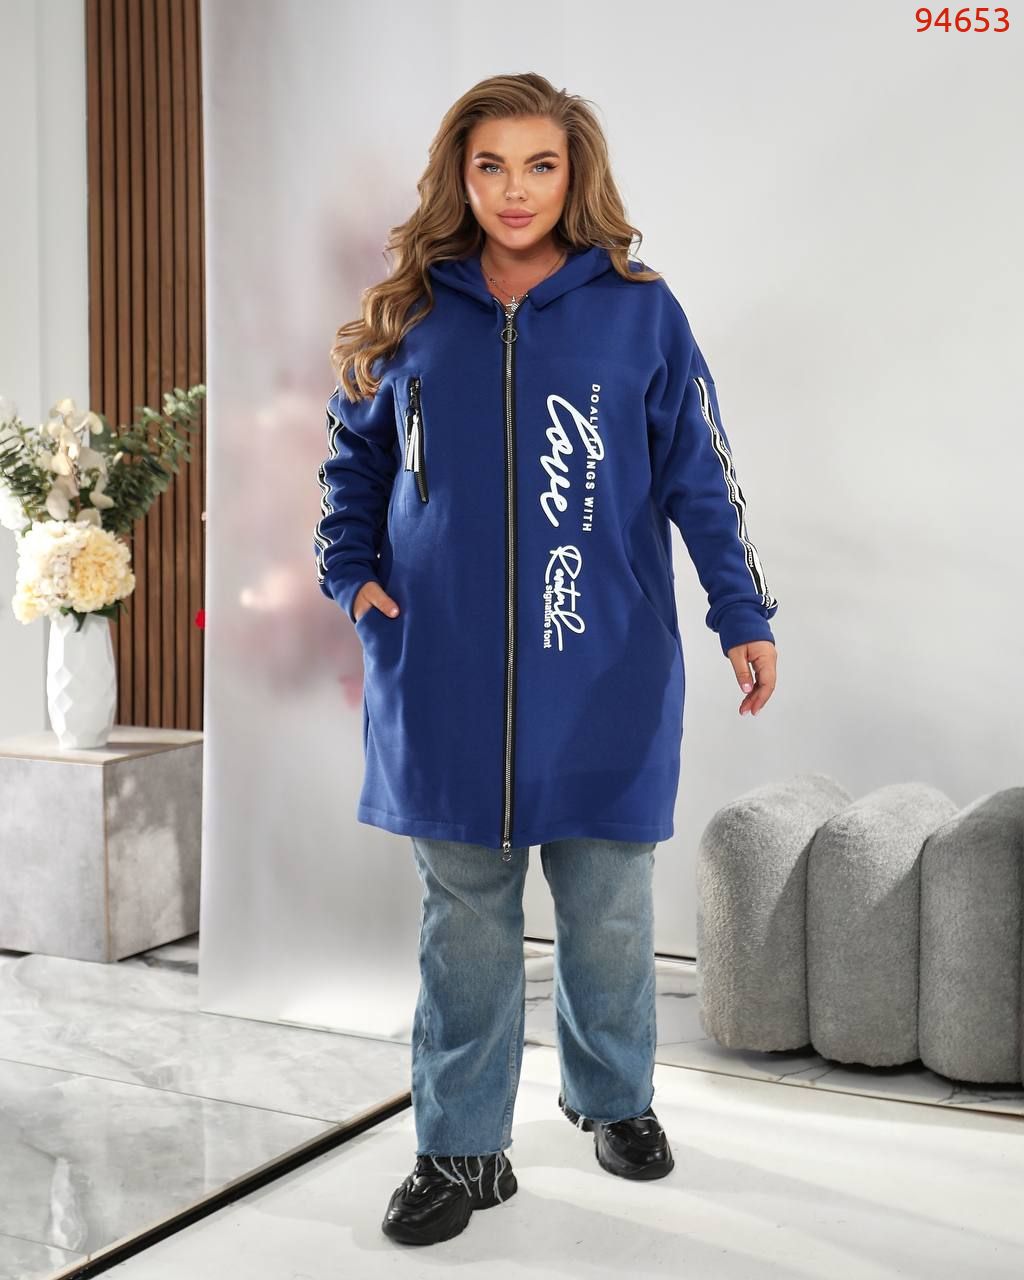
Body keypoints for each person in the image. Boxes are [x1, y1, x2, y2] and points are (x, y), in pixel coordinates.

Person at [314, 72, 779, 1247]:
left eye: (539, 165)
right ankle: (457, 1147)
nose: (514, 190)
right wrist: (351, 575)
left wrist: (741, 611)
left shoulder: (638, 310)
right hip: (442, 669)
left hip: (605, 664)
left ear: (575, 176)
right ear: (457, 176)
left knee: (608, 906)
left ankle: (614, 1096)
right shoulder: (413, 309)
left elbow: (701, 472)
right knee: (464, 922)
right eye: (490, 165)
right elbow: (351, 462)